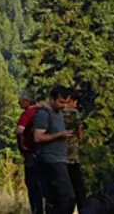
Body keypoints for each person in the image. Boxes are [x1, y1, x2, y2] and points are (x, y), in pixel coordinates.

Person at [33, 85, 76, 214]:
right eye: (61, 102)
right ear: (52, 99)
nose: (63, 106)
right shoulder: (43, 114)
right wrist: (59, 135)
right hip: (51, 160)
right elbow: (38, 137)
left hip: (60, 159)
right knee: (67, 197)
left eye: (66, 102)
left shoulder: (59, 114)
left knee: (57, 199)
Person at [15, 90, 46, 214]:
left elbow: (19, 131)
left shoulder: (27, 114)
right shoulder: (42, 111)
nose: (18, 102)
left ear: (27, 101)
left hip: (31, 152)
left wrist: (21, 146)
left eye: (20, 100)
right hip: (44, 152)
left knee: (32, 183)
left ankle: (36, 210)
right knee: (43, 182)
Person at [63, 96, 86, 202]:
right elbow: (81, 135)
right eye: (75, 102)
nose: (76, 105)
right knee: (78, 188)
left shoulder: (56, 112)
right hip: (72, 155)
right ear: (71, 100)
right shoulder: (74, 113)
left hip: (59, 156)